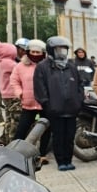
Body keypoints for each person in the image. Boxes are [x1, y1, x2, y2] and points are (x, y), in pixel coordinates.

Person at [33, 36, 83, 171]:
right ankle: (61, 161)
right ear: (51, 50)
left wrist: (78, 102)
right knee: (58, 137)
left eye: (64, 49)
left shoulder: (71, 67)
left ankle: (69, 160)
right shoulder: (42, 67)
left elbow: (80, 86)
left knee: (69, 137)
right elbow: (39, 89)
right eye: (58, 49)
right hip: (55, 110)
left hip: (71, 109)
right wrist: (47, 105)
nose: (62, 52)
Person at [11, 39, 50, 165]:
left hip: (44, 103)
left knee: (46, 130)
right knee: (22, 129)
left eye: (38, 52)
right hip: (28, 103)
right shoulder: (20, 66)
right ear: (27, 52)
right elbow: (14, 80)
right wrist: (19, 92)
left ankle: (43, 154)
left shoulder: (48, 66)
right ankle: (14, 154)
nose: (35, 54)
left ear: (43, 53)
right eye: (32, 51)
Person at [0, 41, 19, 145]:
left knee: (9, 117)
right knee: (14, 118)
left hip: (6, 94)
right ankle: (11, 140)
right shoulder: (9, 63)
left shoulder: (1, 62)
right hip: (13, 94)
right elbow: (20, 70)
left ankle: (4, 139)